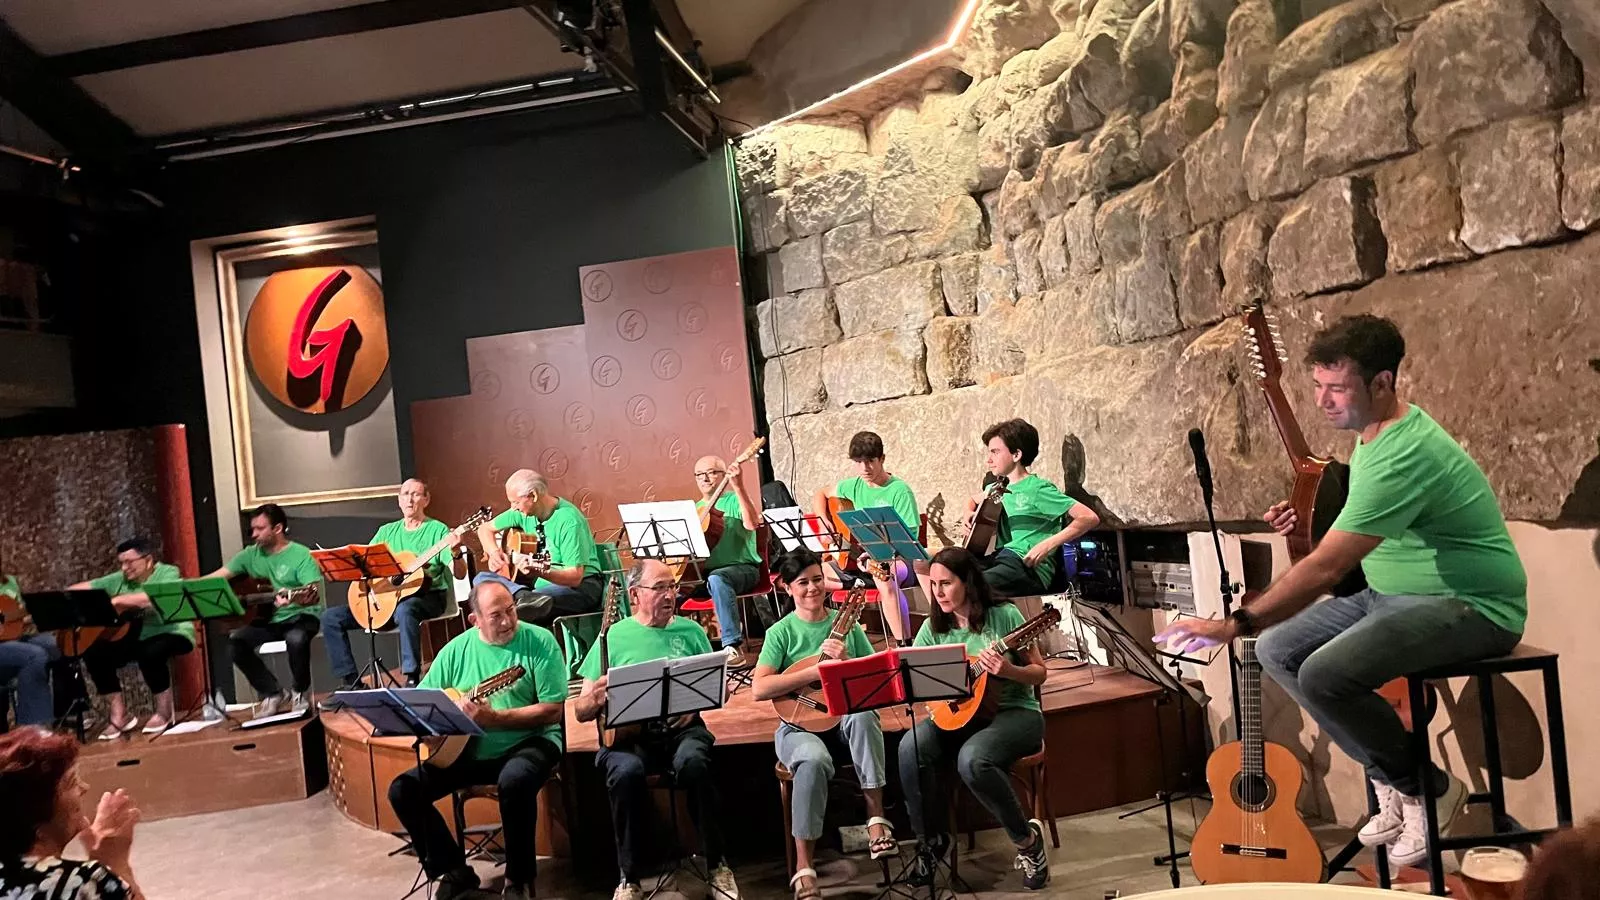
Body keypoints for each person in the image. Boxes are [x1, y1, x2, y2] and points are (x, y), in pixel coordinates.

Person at [1155, 314, 1527, 868]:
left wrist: (1235, 622)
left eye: (1338, 388)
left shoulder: (1403, 451)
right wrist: (1304, 521)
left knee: (1324, 673)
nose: (1325, 401)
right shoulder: (1371, 437)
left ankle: (1427, 788)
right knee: (1281, 651)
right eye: (1318, 387)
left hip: (1474, 607)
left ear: (1382, 383)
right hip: (1391, 596)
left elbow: (1328, 568)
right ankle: (1396, 783)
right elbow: (1355, 528)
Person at [385, 581, 567, 900]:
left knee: (515, 780)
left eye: (511, 610)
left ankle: (518, 879)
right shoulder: (456, 650)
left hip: (531, 741)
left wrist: (495, 719)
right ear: (475, 620)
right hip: (465, 750)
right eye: (496, 615)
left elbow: (553, 711)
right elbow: (422, 703)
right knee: (403, 790)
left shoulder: (540, 641)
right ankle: (454, 870)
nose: (508, 621)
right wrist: (436, 727)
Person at [574, 558, 740, 900]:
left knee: (695, 762)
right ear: (635, 594)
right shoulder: (613, 636)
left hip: (684, 731)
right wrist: (595, 698)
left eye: (672, 587)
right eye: (660, 587)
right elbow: (580, 710)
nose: (670, 595)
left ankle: (718, 866)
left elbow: (717, 689)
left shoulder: (692, 631)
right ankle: (629, 878)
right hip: (627, 739)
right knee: (625, 772)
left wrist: (697, 701)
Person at [898, 547, 1050, 890]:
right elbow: (919, 686)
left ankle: (1027, 842)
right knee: (910, 748)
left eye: (946, 583)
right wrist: (936, 700)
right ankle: (930, 842)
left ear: (967, 582)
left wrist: (1009, 669)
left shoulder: (1006, 616)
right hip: (960, 716)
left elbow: (1040, 674)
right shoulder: (932, 629)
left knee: (973, 760)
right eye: (933, 584)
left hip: (1015, 713)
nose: (937, 592)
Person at [751, 549, 894, 900]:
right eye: (803, 583)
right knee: (813, 762)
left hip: (843, 723)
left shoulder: (844, 625)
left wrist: (845, 664)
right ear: (787, 588)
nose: (813, 588)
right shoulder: (780, 633)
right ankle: (804, 867)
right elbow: (760, 687)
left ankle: (875, 819)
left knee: (863, 715)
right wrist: (814, 671)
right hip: (798, 725)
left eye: (818, 579)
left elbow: (873, 679)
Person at [322, 479, 461, 692]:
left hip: (428, 598)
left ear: (426, 500)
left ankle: (412, 678)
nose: (410, 499)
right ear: (399, 500)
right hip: (384, 603)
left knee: (406, 609)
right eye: (405, 494)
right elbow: (364, 564)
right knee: (331, 618)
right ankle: (351, 682)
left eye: (416, 494)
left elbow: (459, 573)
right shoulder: (387, 531)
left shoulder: (437, 530)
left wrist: (456, 551)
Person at [0, 726, 144, 899]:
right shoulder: (83, 881)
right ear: (37, 822)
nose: (84, 788)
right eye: (71, 782)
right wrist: (116, 864)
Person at [208, 504, 324, 718]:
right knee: (235, 644)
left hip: (299, 616)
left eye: (260, 529)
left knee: (296, 639)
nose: (254, 535)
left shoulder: (301, 554)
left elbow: (312, 591)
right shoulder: (249, 555)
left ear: (278, 528)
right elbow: (218, 576)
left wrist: (292, 600)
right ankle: (272, 692)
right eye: (253, 529)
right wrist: (189, 586)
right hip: (266, 620)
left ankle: (299, 692)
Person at [69, 540, 192, 738]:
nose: (124, 568)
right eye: (121, 563)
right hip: (135, 636)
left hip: (172, 631)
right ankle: (120, 714)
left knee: (150, 652)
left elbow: (151, 599)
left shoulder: (168, 572)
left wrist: (118, 600)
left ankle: (164, 712)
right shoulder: (120, 578)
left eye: (129, 562)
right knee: (94, 651)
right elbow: (77, 589)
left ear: (148, 560)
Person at [812, 431, 924, 642]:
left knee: (885, 574)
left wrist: (880, 557)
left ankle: (903, 643)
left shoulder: (899, 490)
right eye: (859, 462)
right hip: (863, 558)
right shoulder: (854, 485)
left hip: (899, 560)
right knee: (815, 574)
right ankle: (855, 582)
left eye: (870, 461)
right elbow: (821, 493)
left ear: (881, 459)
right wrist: (821, 520)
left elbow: (910, 540)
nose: (864, 468)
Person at [966, 418, 1099, 597]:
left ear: (1016, 455)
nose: (989, 460)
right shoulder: (996, 489)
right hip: (1001, 558)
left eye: (995, 452)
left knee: (968, 588)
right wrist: (968, 512)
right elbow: (972, 500)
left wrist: (1046, 545)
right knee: (943, 569)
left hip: (1026, 565)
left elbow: (1088, 517)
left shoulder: (1037, 488)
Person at [475, 469, 603, 624]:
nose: (513, 507)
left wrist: (539, 571)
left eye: (515, 502)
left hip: (580, 587)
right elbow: (484, 529)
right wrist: (494, 552)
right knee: (482, 580)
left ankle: (527, 600)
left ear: (533, 496)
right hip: (535, 588)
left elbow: (575, 577)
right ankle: (524, 597)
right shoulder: (521, 513)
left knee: (514, 613)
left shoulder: (568, 520)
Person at [683, 454, 762, 667]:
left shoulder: (736, 500)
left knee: (718, 579)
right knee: (665, 588)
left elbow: (752, 524)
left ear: (723, 474)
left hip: (742, 569)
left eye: (711, 473)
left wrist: (739, 487)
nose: (705, 478)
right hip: (706, 574)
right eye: (699, 474)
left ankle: (732, 646)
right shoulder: (696, 509)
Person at [0, 571, 59, 730]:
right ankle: (31, 727)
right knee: (33, 655)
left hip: (13, 639)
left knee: (56, 644)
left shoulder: (9, 581)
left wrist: (27, 616)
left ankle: (66, 711)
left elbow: (18, 616)